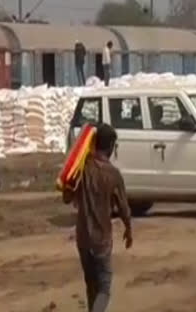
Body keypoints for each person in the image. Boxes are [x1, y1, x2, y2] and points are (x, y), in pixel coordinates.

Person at [63, 123, 132, 312]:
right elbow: (124, 208)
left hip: (83, 238)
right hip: (101, 239)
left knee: (91, 285)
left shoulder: (82, 168)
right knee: (104, 287)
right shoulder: (113, 174)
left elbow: (66, 197)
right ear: (111, 147)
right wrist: (129, 230)